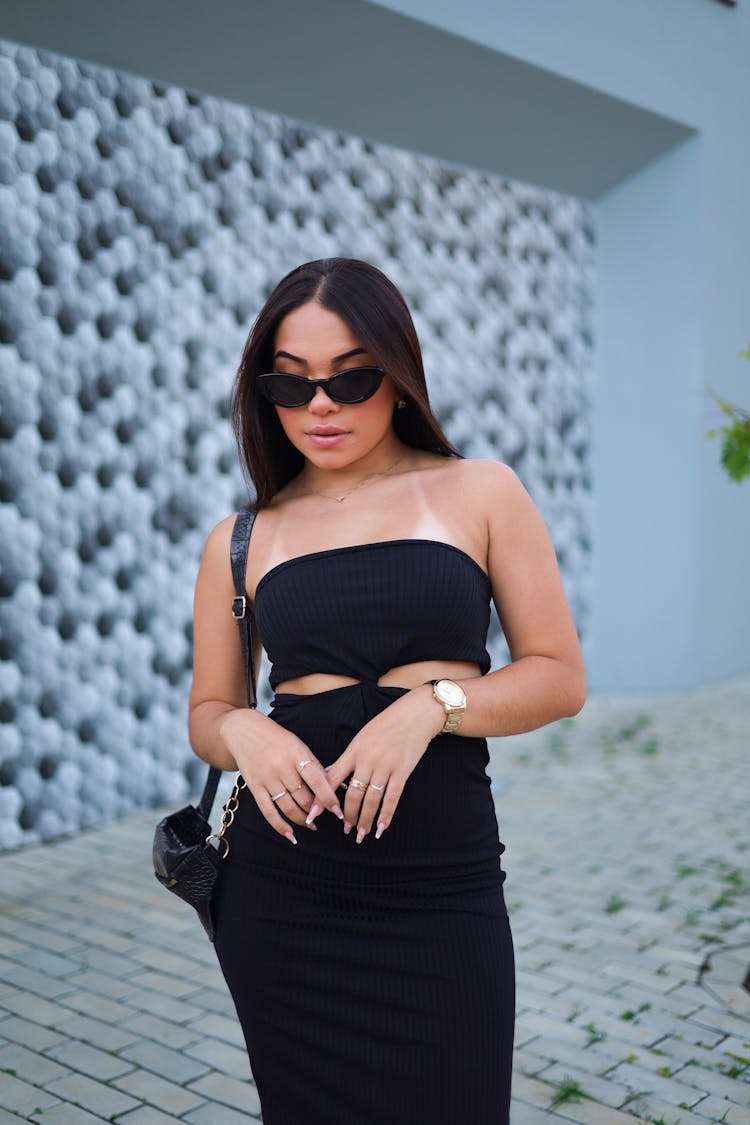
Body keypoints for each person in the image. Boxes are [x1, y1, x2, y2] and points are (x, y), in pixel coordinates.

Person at [188, 257, 586, 1124]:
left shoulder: (479, 490)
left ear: (399, 376)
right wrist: (247, 735)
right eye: (290, 386)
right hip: (283, 900)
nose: (320, 406)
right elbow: (209, 712)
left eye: (351, 378)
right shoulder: (244, 535)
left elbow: (558, 675)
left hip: (441, 893)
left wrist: (432, 705)